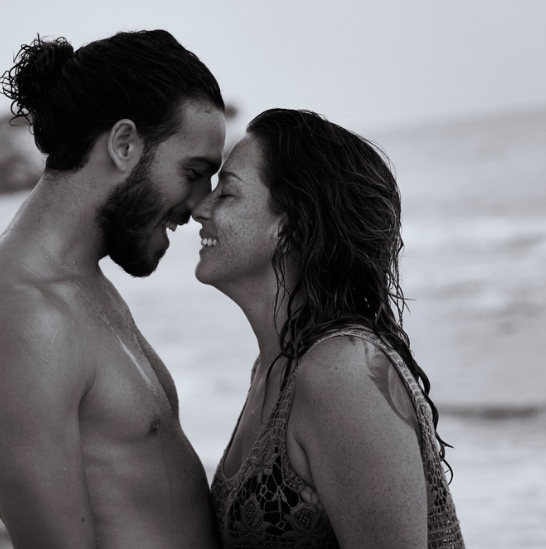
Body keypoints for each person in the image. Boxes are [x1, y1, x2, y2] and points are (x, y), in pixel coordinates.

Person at [0, 30, 226, 548]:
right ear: (123, 144)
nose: (201, 204)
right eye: (194, 172)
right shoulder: (23, 315)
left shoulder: (80, 286)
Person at [193, 109, 464, 548]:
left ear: (290, 227)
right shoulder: (272, 364)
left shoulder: (341, 372)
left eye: (226, 194)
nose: (199, 209)